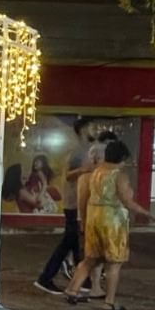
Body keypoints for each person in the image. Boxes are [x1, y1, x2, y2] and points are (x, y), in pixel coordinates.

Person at [64, 140, 155, 310]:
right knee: (114, 263)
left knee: (90, 258)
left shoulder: (95, 172)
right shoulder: (118, 175)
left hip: (94, 217)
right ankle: (109, 302)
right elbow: (127, 202)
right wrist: (150, 215)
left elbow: (86, 196)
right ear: (122, 157)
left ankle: (72, 290)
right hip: (112, 220)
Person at [34, 118, 96, 294]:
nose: (95, 130)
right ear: (83, 130)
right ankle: (45, 278)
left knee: (76, 242)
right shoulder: (78, 152)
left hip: (79, 202)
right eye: (92, 127)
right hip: (73, 203)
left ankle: (82, 280)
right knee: (69, 240)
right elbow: (69, 175)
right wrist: (85, 170)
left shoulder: (85, 150)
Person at [73, 129, 118, 300]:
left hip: (99, 222)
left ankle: (90, 287)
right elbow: (83, 201)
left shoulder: (101, 175)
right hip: (92, 222)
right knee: (91, 258)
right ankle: (82, 288)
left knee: (95, 258)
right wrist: (83, 221)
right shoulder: (89, 176)